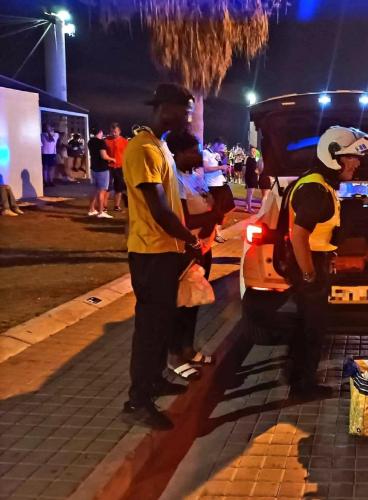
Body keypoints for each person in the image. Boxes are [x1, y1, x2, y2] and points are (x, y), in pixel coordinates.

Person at [121, 83, 202, 430]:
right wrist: (189, 238)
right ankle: (138, 401)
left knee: (161, 324)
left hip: (164, 251)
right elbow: (158, 209)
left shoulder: (160, 146)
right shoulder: (142, 149)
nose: (188, 119)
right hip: (150, 252)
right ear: (165, 108)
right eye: (186, 112)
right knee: (150, 330)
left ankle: (154, 381)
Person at [286, 126, 368, 399]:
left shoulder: (319, 184)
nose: (357, 163)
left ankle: (298, 378)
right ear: (333, 156)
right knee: (312, 329)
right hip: (309, 264)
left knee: (307, 327)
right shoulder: (316, 189)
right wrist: (309, 274)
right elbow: (298, 235)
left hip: (313, 261)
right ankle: (304, 386)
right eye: (352, 157)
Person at [165, 130, 219, 380]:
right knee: (181, 303)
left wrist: (214, 212)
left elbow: (209, 203)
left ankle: (188, 348)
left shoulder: (193, 176)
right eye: (193, 152)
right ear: (178, 153)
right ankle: (174, 355)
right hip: (186, 251)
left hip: (203, 248)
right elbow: (183, 219)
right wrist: (212, 216)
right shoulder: (174, 181)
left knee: (194, 302)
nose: (198, 156)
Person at [203, 141, 228, 243]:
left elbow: (222, 167)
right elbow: (205, 169)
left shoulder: (217, 155)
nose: (222, 149)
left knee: (222, 210)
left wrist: (224, 161)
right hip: (212, 186)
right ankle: (216, 234)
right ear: (216, 144)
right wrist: (220, 167)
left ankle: (216, 232)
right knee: (215, 211)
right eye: (221, 147)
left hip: (221, 184)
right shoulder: (205, 153)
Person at [87, 128, 116, 219]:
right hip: (102, 169)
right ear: (100, 132)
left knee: (94, 189)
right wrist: (112, 159)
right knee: (102, 191)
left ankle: (91, 209)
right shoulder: (101, 142)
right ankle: (101, 211)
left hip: (93, 168)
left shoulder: (90, 141)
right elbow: (104, 156)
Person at [106, 122, 129, 212]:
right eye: (112, 131)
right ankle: (104, 206)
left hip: (120, 167)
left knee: (119, 187)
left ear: (119, 131)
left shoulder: (125, 142)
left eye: (115, 131)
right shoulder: (106, 141)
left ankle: (116, 206)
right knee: (107, 187)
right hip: (108, 167)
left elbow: (128, 154)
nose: (113, 133)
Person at [244, 146, 259, 212]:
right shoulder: (247, 158)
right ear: (249, 152)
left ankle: (246, 206)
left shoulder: (256, 159)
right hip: (249, 177)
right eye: (252, 151)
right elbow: (244, 169)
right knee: (250, 193)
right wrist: (244, 177)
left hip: (254, 177)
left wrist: (257, 172)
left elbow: (257, 168)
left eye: (254, 151)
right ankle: (249, 208)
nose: (253, 152)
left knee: (249, 193)